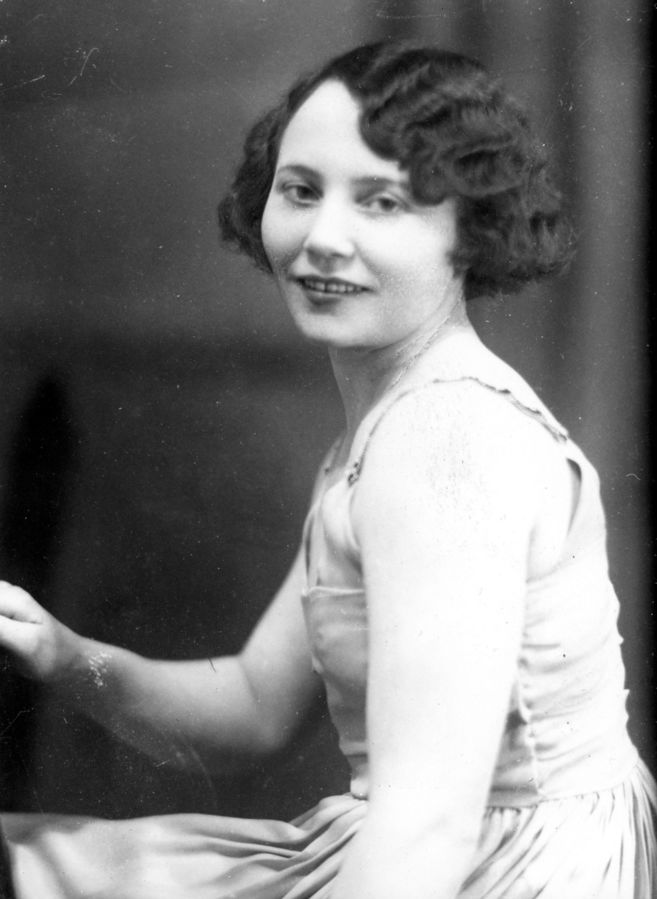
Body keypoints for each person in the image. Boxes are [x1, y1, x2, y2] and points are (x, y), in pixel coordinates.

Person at [0, 40, 655, 899]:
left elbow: (429, 824)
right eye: (301, 191)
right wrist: (65, 654)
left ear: (471, 230)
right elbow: (254, 706)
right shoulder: (389, 425)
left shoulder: (443, 439)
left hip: (503, 873)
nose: (322, 239)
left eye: (381, 202)